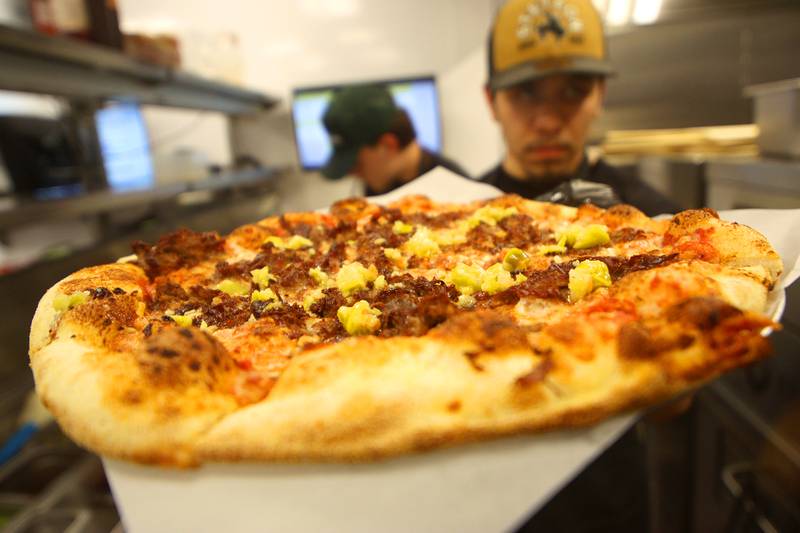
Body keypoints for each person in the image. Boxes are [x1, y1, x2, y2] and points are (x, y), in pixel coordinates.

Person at [480, 0, 678, 216]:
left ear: (600, 96)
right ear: (492, 102)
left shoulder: (657, 221)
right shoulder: (456, 212)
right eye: (525, 94)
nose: (549, 123)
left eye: (573, 92)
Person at [321, 84, 469, 196]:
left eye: (357, 165)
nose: (353, 175)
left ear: (388, 144)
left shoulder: (458, 191)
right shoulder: (379, 185)